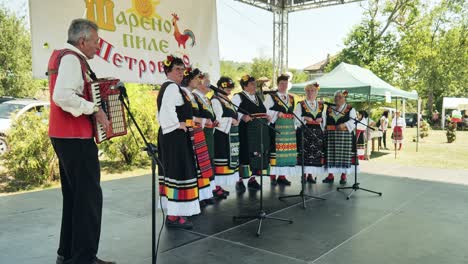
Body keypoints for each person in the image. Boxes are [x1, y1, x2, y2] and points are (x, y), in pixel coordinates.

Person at [48, 19, 114, 264]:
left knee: (75, 199)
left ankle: (68, 254)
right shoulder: (72, 59)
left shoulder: (65, 57)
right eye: (96, 42)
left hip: (64, 136)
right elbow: (62, 95)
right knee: (88, 199)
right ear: (82, 41)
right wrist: (94, 109)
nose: (98, 46)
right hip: (75, 137)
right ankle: (84, 258)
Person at [157, 55, 200, 229]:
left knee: (178, 172)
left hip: (176, 136)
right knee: (177, 172)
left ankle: (176, 213)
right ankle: (174, 215)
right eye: (177, 69)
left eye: (182, 70)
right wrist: (178, 124)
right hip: (174, 137)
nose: (181, 73)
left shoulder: (174, 87)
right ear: (168, 71)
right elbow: (166, 111)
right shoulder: (171, 88)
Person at [180, 68, 216, 207]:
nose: (198, 81)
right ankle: (198, 195)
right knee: (197, 165)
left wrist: (202, 119)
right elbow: (185, 115)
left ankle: (204, 194)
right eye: (196, 79)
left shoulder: (192, 96)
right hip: (192, 132)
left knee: (202, 165)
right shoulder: (185, 93)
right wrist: (200, 119)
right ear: (188, 79)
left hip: (198, 131)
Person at [232, 75, 271, 192]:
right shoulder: (238, 97)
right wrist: (242, 116)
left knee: (256, 153)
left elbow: (262, 111)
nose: (254, 86)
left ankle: (252, 179)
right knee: (245, 153)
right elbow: (232, 110)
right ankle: (239, 180)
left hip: (258, 131)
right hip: (245, 131)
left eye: (254, 84)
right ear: (245, 86)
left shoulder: (257, 97)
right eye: (252, 84)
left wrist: (267, 116)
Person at [264, 74, 298, 185]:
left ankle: (282, 176)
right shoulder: (271, 96)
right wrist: (277, 113)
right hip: (276, 127)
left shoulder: (291, 98)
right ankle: (273, 176)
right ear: (277, 84)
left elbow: (294, 112)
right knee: (275, 151)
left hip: (288, 129)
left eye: (286, 83)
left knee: (286, 152)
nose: (284, 86)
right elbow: (266, 111)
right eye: (282, 83)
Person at [211, 77, 240, 194]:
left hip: (229, 135)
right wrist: (230, 120)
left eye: (230, 88)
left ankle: (218, 186)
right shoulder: (215, 100)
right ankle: (215, 187)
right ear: (219, 88)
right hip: (220, 135)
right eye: (226, 88)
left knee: (226, 159)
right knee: (220, 160)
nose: (229, 90)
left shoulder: (227, 100)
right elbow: (216, 120)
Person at [322, 90, 358, 185]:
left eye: (340, 97)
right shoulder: (329, 108)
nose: (337, 99)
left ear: (344, 98)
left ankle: (343, 176)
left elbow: (354, 121)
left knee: (343, 157)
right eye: (336, 97)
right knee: (331, 155)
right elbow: (325, 120)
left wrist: (345, 124)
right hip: (331, 136)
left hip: (344, 136)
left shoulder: (350, 109)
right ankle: (330, 176)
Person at [293, 82, 325, 184]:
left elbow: (325, 118)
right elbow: (296, 119)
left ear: (316, 92)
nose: (310, 93)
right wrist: (305, 118)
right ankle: (304, 175)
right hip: (304, 132)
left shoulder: (321, 105)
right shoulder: (300, 104)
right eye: (308, 91)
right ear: (305, 92)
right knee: (304, 154)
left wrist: (321, 119)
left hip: (317, 133)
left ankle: (311, 175)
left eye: (313, 91)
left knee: (315, 155)